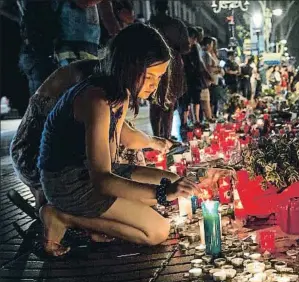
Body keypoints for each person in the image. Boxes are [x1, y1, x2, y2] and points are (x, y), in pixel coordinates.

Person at [36, 24, 196, 257]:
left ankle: (98, 220)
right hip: (69, 182)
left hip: (95, 172)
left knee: (172, 180)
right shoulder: (97, 100)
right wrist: (163, 194)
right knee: (158, 230)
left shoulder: (118, 93)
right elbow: (102, 180)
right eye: (149, 76)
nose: (154, 84)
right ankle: (63, 216)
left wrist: (155, 142)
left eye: (159, 77)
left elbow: (126, 137)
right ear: (127, 67)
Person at [149, 1, 190, 138]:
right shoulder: (178, 25)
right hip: (173, 66)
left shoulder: (149, 24)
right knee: (169, 103)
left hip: (153, 65)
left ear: (155, 7)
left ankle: (156, 135)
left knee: (154, 103)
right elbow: (186, 47)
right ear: (168, 8)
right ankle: (166, 137)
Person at [182, 26, 211, 125]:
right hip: (186, 78)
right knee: (185, 102)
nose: (195, 40)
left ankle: (197, 120)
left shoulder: (195, 47)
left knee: (196, 99)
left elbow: (199, 62)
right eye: (193, 38)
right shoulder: (182, 48)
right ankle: (185, 122)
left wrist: (201, 74)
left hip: (195, 77)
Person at [201, 36, 221, 119]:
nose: (213, 46)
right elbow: (208, 68)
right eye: (212, 44)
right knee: (209, 100)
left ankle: (211, 116)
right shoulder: (206, 54)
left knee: (212, 99)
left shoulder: (211, 54)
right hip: (209, 81)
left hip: (213, 80)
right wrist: (217, 70)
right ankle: (209, 117)